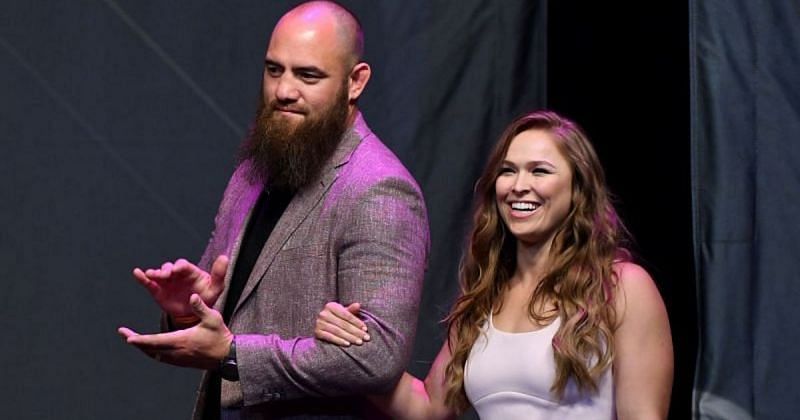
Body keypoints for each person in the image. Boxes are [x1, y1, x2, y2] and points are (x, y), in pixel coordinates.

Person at [117, 1, 430, 419]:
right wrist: (187, 309)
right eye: (274, 70)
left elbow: (378, 358)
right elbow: (219, 322)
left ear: (356, 82)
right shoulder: (254, 170)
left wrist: (233, 354)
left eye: (308, 75)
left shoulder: (380, 188)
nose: (283, 90)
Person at [314, 110, 673, 419]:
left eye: (539, 171)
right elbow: (426, 409)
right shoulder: (484, 300)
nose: (518, 185)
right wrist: (356, 345)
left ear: (578, 187)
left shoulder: (622, 286)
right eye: (508, 170)